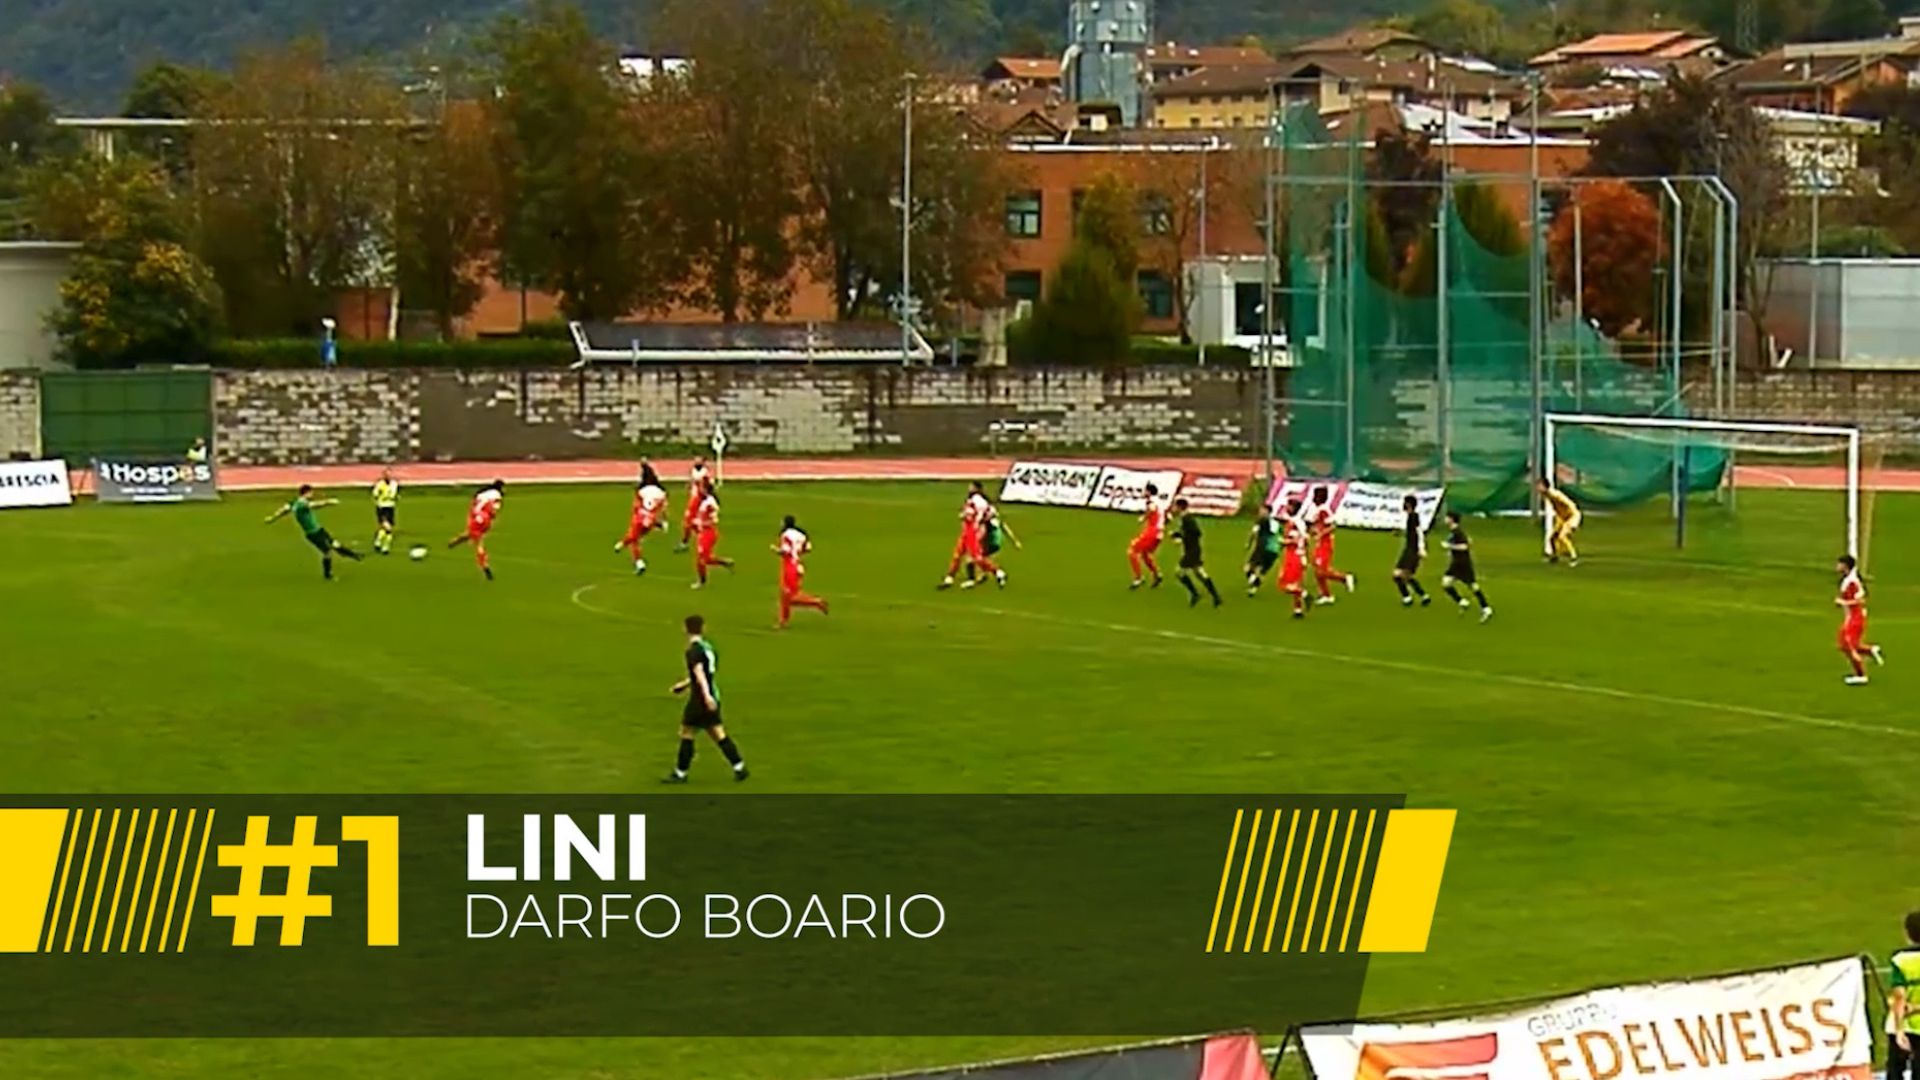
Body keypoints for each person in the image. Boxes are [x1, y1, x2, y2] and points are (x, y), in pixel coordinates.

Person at [663, 614, 749, 784]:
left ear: (685, 629)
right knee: (718, 734)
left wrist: (706, 696)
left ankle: (680, 773)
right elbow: (705, 674)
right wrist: (685, 685)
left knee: (687, 733)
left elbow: (699, 673)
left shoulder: (693, 651)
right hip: (712, 694)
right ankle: (739, 767)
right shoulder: (707, 648)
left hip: (700, 699)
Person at [264, 484, 363, 580]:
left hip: (319, 530)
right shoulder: (302, 504)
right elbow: (315, 505)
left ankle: (354, 555)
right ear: (306, 493)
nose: (312, 495)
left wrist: (272, 518)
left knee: (335, 543)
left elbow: (283, 510)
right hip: (313, 534)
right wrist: (328, 502)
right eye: (311, 493)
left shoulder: (294, 503)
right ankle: (328, 574)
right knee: (327, 552)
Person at [939, 481, 1005, 590]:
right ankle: (950, 578)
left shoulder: (978, 501)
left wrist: (976, 524)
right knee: (958, 554)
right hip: (967, 530)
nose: (969, 488)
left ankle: (997, 572)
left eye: (971, 487)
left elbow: (980, 514)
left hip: (973, 531)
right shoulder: (972, 500)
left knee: (976, 557)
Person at [1835, 554, 1885, 685]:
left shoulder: (1851, 582)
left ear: (1845, 566)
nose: (1837, 566)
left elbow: (1860, 601)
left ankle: (1861, 675)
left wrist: (1843, 602)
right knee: (1846, 644)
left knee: (1847, 645)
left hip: (1856, 617)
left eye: (1839, 564)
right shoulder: (1849, 579)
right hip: (1853, 616)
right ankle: (1870, 650)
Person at [774, 515, 829, 628]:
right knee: (784, 596)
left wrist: (777, 550)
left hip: (790, 567)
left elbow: (786, 551)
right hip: (798, 564)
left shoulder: (785, 535)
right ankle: (783, 622)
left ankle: (816, 602)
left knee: (790, 596)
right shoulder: (801, 534)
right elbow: (808, 548)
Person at [1441, 511, 1493, 622]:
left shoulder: (1458, 532)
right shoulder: (1454, 531)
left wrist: (1449, 546)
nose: (1445, 519)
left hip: (1463, 563)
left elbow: (1464, 546)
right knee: (1446, 583)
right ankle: (1462, 602)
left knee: (1473, 586)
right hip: (1455, 563)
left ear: (1452, 519)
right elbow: (1468, 541)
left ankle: (1486, 608)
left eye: (1447, 517)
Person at [1308, 486, 1356, 605]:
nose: (1313, 498)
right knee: (1317, 570)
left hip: (1325, 544)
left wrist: (1320, 534)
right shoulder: (1318, 510)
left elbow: (1332, 526)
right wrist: (1313, 531)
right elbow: (1319, 526)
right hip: (1320, 543)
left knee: (1321, 570)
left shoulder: (1324, 510)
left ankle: (1344, 578)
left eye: (1315, 496)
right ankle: (1326, 595)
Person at [448, 480, 504, 581]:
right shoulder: (497, 496)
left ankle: (484, 566)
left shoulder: (482, 493)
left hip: (476, 517)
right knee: (475, 536)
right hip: (485, 519)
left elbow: (475, 502)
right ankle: (454, 542)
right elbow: (494, 510)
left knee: (477, 540)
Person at [1172, 499, 1223, 608]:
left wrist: (1182, 538)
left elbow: (1197, 532)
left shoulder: (1187, 518)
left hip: (1192, 550)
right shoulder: (1184, 518)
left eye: (1175, 506)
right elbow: (1185, 531)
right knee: (1199, 573)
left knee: (1179, 572)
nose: (1173, 508)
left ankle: (1195, 594)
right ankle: (1216, 597)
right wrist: (1175, 534)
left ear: (1180, 507)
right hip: (1192, 549)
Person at [615, 480, 669, 575]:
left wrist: (635, 514)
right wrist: (663, 522)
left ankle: (640, 564)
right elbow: (663, 509)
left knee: (634, 540)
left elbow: (636, 506)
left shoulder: (642, 493)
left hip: (640, 519)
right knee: (634, 537)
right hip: (650, 521)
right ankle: (622, 544)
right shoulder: (661, 495)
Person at [1890, 910, 1919, 1080]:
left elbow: (1899, 997)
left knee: (1895, 1070)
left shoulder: (1901, 960)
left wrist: (1898, 1030)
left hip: (1908, 1024)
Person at [689, 480, 733, 589]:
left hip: (708, 533)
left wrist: (699, 523)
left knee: (700, 559)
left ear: (706, 489)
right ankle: (725, 562)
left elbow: (712, 520)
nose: (700, 489)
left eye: (701, 487)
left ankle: (701, 582)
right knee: (706, 559)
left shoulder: (709, 503)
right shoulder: (705, 501)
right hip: (703, 532)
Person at [1392, 494, 1432, 608]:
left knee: (1398, 575)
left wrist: (1421, 548)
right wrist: (1401, 533)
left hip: (1413, 551)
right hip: (1409, 549)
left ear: (1409, 504)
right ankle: (1422, 596)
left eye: (1405, 502)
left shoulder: (1413, 516)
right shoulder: (1411, 516)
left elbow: (1419, 532)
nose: (1403, 505)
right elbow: (1412, 533)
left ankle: (1408, 597)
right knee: (1405, 576)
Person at [1128, 484, 1167, 590]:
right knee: (1145, 554)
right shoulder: (1160, 502)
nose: (1143, 492)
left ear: (1149, 492)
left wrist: (1143, 517)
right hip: (1159, 533)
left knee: (1132, 551)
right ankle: (1157, 575)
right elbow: (1167, 517)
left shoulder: (1151, 501)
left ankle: (1138, 578)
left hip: (1153, 532)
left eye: (1145, 490)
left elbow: (1152, 509)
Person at [1276, 498, 1310, 619]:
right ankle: (1298, 610)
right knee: (1296, 583)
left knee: (1283, 584)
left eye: (1289, 506)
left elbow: (1295, 540)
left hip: (1294, 557)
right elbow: (1306, 540)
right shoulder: (1299, 522)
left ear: (1293, 508)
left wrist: (1282, 541)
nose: (1286, 508)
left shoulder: (1293, 523)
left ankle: (1304, 594)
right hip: (1299, 556)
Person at [1540, 479, 1581, 566]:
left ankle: (1574, 557)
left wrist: (1572, 517)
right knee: (1552, 538)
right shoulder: (1547, 495)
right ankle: (1555, 557)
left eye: (1540, 485)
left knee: (1562, 536)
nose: (1538, 487)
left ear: (1545, 486)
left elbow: (1569, 503)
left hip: (1572, 516)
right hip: (1562, 518)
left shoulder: (1555, 494)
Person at [676, 456, 713, 553]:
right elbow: (692, 480)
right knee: (691, 522)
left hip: (700, 500)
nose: (696, 463)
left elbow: (707, 484)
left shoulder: (705, 472)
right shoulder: (693, 470)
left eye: (698, 461)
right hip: (694, 498)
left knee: (689, 522)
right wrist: (689, 484)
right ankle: (694, 540)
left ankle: (686, 542)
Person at [1245, 503, 1283, 597]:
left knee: (1249, 568)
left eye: (1262, 510)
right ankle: (1253, 589)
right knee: (1262, 572)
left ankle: (1253, 579)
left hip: (1263, 548)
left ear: (1267, 511)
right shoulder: (1276, 523)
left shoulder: (1262, 521)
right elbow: (1280, 536)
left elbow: (1254, 532)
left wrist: (1248, 543)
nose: (1260, 512)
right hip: (1274, 550)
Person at [370, 468, 399, 556]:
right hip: (382, 507)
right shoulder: (380, 484)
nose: (388, 476)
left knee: (384, 528)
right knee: (388, 529)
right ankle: (385, 548)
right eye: (386, 474)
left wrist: (395, 498)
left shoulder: (394, 484)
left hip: (391, 507)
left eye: (390, 474)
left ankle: (378, 542)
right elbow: (375, 494)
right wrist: (379, 499)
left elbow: (395, 495)